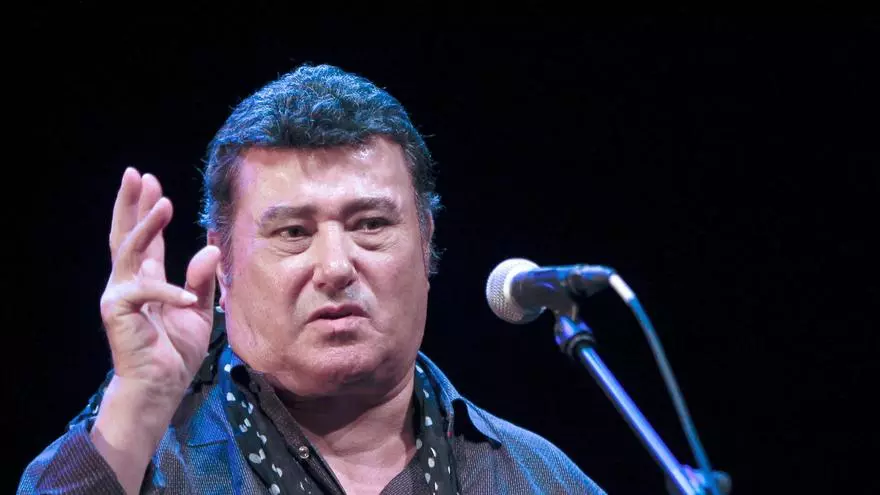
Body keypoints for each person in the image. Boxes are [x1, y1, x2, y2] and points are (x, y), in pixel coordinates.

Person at [17, 63, 606, 495]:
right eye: (293, 232)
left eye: (370, 224)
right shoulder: (145, 459)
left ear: (427, 242)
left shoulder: (536, 478)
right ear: (222, 263)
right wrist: (138, 404)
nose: (335, 267)